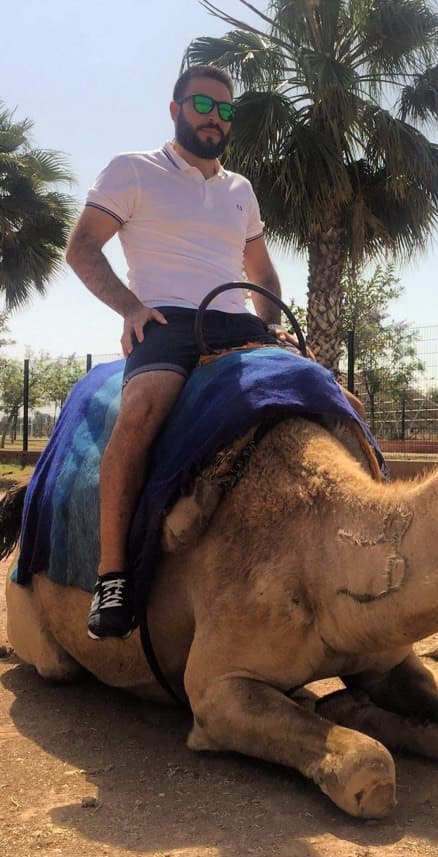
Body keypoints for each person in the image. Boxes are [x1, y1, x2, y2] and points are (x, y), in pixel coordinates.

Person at [66, 65, 288, 640]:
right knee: (139, 414)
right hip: (167, 319)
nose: (215, 119)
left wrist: (272, 324)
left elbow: (261, 272)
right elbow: (82, 247)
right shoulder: (133, 170)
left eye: (226, 110)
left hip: (236, 322)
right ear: (175, 109)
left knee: (331, 396)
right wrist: (132, 309)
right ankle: (112, 575)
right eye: (203, 105)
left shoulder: (240, 189)